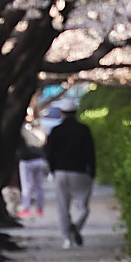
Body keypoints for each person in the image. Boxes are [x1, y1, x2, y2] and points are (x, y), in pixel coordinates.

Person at [43, 101, 96, 245]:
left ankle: (66, 238)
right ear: (76, 112)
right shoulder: (84, 129)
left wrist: (52, 169)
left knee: (62, 206)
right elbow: (90, 152)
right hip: (80, 171)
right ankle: (76, 226)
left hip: (60, 171)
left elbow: (49, 152)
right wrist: (92, 171)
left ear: (62, 113)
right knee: (83, 207)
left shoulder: (56, 131)